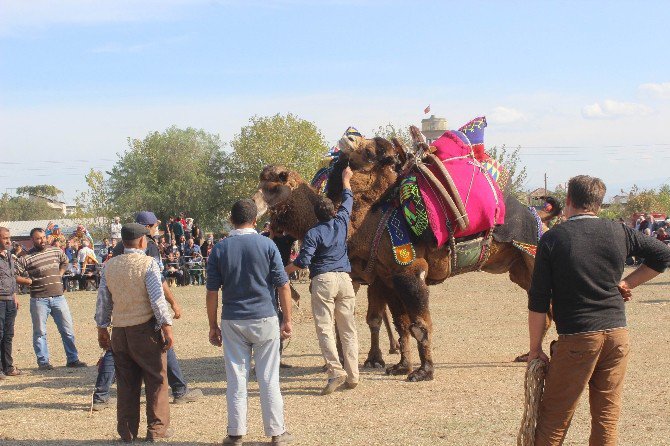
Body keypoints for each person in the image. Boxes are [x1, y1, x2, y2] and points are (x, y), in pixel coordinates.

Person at [527, 175, 670, 445]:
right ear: (599, 204)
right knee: (606, 419)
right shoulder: (619, 231)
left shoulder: (554, 238)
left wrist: (535, 349)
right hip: (617, 335)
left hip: (578, 338)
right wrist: (628, 282)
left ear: (568, 201)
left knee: (554, 420)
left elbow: (538, 300)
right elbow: (662, 254)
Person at [93, 211, 202, 411]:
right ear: (146, 230)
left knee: (114, 349)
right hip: (143, 312)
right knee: (163, 346)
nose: (156, 228)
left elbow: (104, 296)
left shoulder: (120, 246)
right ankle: (179, 390)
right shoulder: (148, 247)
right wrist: (173, 304)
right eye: (154, 225)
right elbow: (157, 283)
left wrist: (102, 324)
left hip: (121, 310)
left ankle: (101, 395)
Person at [206, 199, 294, 445]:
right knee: (268, 378)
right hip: (265, 317)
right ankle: (277, 432)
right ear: (255, 220)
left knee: (236, 378)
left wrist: (213, 325)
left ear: (231, 220)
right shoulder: (267, 245)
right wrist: (287, 319)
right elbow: (283, 285)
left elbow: (212, 291)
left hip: (233, 319)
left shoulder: (220, 249)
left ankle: (235, 433)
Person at [95, 223, 175, 442]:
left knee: (126, 384)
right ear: (142, 241)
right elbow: (157, 300)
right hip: (145, 330)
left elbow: (103, 301)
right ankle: (156, 430)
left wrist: (102, 328)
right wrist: (167, 327)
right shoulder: (148, 264)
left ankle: (127, 432)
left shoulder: (109, 266)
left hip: (120, 332)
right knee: (157, 380)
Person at [285, 166, 359, 395]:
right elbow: (348, 199)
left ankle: (336, 371)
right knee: (348, 329)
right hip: (345, 280)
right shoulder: (342, 221)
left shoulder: (313, 233)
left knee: (325, 328)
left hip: (324, 280)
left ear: (316, 215)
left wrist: (281, 271)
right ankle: (353, 374)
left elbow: (303, 262)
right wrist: (346, 179)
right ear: (333, 212)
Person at [15, 228, 87, 370]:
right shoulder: (25, 258)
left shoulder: (55, 251)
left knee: (67, 330)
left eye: (43, 237)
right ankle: (43, 363)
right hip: (38, 299)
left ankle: (73, 359)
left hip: (59, 297)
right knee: (40, 332)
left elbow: (65, 262)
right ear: (32, 240)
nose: (42, 240)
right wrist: (27, 281)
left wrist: (60, 274)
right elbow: (13, 275)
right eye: (38, 238)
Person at [0, 227, 21, 378]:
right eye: (4, 238)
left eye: (9, 238)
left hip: (10, 301)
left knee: (8, 335)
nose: (8, 241)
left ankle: (8, 367)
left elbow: (12, 277)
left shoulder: (8, 256)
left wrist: (15, 296)